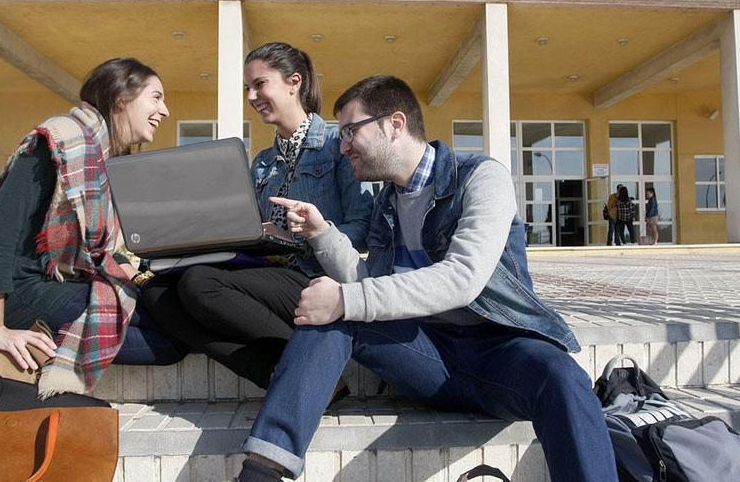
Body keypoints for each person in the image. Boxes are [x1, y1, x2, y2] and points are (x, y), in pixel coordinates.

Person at [234, 75, 617, 482]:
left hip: (500, 350)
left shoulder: (481, 178)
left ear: (394, 124)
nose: (342, 146)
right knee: (330, 312)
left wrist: (347, 298)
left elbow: (462, 278)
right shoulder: (387, 201)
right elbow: (369, 280)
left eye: (350, 131)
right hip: (427, 355)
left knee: (563, 377)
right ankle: (261, 474)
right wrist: (322, 233)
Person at [142, 42, 373, 390]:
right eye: (247, 88)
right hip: (268, 274)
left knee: (199, 283)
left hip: (317, 277)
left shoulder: (336, 145)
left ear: (294, 82)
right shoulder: (262, 162)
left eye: (260, 84)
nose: (251, 96)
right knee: (157, 292)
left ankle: (310, 371)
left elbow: (364, 227)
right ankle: (280, 374)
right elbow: (252, 233)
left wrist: (315, 231)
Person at [0, 58, 188, 398]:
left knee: (173, 317)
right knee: (169, 341)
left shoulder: (104, 156)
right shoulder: (59, 141)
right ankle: (20, 360)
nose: (166, 111)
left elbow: (105, 250)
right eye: (156, 97)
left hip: (66, 283)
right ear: (121, 99)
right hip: (25, 290)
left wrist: (144, 281)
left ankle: (45, 346)